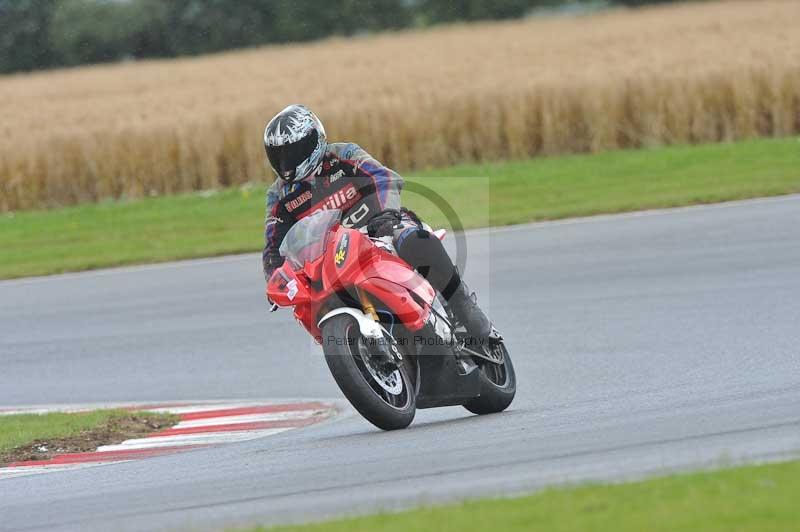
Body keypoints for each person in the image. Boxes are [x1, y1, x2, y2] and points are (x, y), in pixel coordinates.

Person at [262, 104, 492, 340]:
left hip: (380, 229)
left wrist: (385, 215)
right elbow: (273, 244)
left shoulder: (344, 155)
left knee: (414, 240)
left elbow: (384, 178)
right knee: (312, 301)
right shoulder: (278, 195)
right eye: (278, 156)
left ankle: (462, 306)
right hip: (331, 259)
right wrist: (275, 278)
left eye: (292, 152)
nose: (286, 163)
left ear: (314, 140)